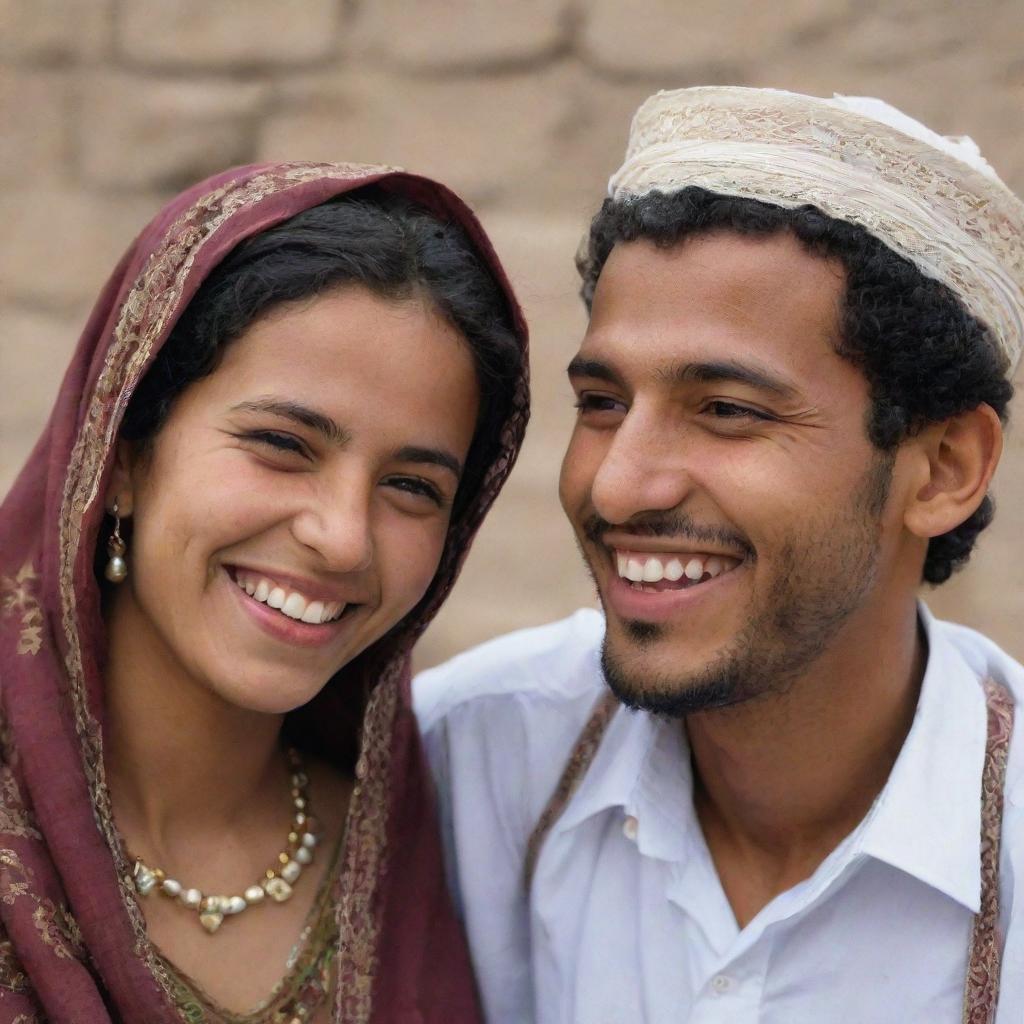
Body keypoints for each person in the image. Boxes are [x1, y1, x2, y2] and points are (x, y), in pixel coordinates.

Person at [415, 88, 1024, 1022]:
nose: (618, 487)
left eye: (728, 412)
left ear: (944, 468)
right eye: (603, 403)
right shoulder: (472, 756)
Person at [0, 161, 528, 1023]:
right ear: (123, 455)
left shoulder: (416, 849)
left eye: (413, 488)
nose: (343, 536)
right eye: (283, 444)